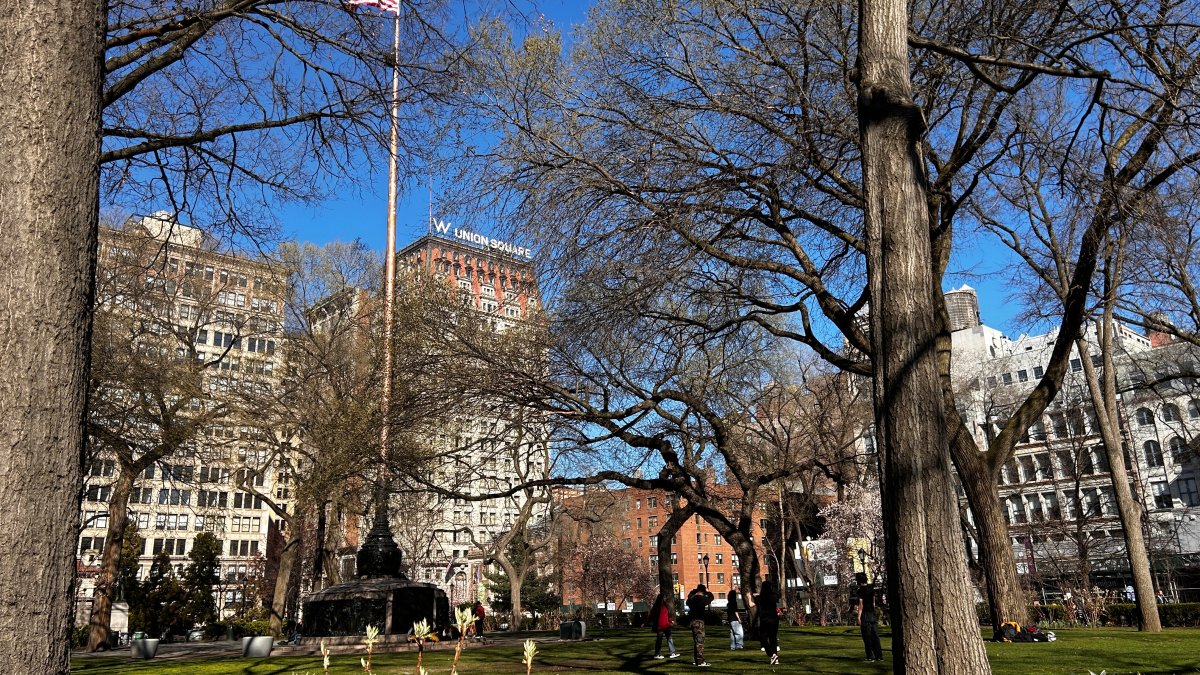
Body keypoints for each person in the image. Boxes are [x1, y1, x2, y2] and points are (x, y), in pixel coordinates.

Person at [747, 578, 780, 665]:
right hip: (774, 620)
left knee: (762, 637)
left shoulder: (761, 597)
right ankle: (775, 659)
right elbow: (777, 595)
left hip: (765, 620)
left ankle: (771, 654)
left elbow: (751, 605)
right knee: (773, 639)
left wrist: (749, 597)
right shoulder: (773, 596)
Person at [855, 572, 883, 662]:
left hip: (865, 614)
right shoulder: (871, 589)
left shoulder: (860, 590)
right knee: (875, 635)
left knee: (867, 636)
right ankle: (879, 655)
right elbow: (873, 603)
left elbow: (861, 604)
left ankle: (870, 656)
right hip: (872, 614)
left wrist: (858, 617)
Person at [686, 583, 714, 667]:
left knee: (696, 641)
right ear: (703, 591)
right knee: (700, 642)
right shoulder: (703, 599)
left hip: (692, 621)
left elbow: (689, 597)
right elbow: (711, 598)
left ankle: (696, 660)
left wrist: (694, 591)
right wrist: (708, 592)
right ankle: (700, 661)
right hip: (699, 621)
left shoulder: (691, 599)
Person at [646, 592, 681, 659]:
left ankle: (658, 654)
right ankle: (671, 653)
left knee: (661, 639)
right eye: (664, 598)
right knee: (667, 639)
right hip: (664, 626)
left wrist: (671, 621)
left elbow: (665, 616)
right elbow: (652, 615)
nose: (665, 599)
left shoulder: (659, 606)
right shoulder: (661, 606)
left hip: (662, 626)